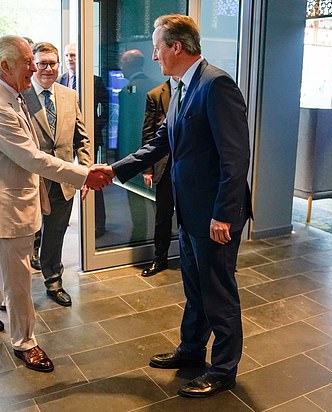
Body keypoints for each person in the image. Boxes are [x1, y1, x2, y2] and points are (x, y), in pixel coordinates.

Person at [95, 14, 252, 398]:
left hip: (215, 215)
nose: (154, 55)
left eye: (157, 46)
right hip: (192, 210)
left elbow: (235, 159)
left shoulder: (216, 85)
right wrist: (113, 170)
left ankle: (223, 369)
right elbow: (160, 143)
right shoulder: (180, 87)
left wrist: (223, 215)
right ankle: (191, 350)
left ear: (176, 47)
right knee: (196, 287)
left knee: (219, 292)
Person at [0, 35, 109, 372]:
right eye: (28, 60)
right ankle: (25, 343)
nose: (34, 66)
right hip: (3, 209)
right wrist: (84, 175)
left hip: (18, 201)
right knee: (19, 282)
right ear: (5, 66)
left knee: (12, 265)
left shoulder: (11, 93)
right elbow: (32, 157)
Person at [23, 42, 92, 307]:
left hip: (64, 180)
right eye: (43, 63)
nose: (49, 69)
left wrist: (84, 172)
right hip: (30, 180)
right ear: (34, 66)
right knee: (24, 236)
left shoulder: (69, 95)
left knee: (56, 233)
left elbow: (82, 138)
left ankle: (53, 281)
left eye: (53, 63)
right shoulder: (21, 96)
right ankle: (15, 288)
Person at [58, 43, 109, 238]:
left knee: (92, 176)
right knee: (64, 179)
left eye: (73, 55)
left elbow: (106, 108)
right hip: (63, 140)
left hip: (87, 139)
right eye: (67, 55)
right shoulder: (60, 80)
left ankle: (98, 223)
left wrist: (95, 129)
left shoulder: (93, 81)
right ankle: (64, 219)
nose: (70, 58)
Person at [139, 77, 178, 276]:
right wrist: (148, 168)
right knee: (163, 215)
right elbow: (149, 133)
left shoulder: (198, 88)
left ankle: (190, 257)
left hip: (190, 165)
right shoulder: (155, 94)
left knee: (190, 214)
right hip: (165, 165)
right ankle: (160, 258)